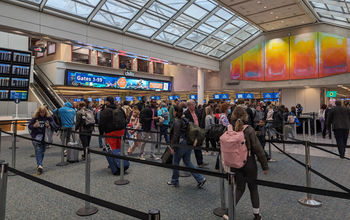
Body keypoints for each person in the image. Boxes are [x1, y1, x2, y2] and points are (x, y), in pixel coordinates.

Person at [225, 106, 268, 220]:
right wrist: (264, 165)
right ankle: (257, 215)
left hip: (235, 163)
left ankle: (229, 211)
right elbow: (258, 149)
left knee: (239, 188)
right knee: (253, 188)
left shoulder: (230, 129)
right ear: (245, 116)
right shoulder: (249, 130)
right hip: (249, 162)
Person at [167, 105, 206, 188]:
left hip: (181, 144)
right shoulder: (185, 120)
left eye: (174, 111)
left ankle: (174, 181)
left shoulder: (177, 121)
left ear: (176, 112)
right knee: (188, 162)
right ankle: (200, 178)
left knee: (175, 163)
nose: (173, 112)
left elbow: (176, 135)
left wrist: (172, 147)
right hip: (188, 143)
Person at [28, 106, 57, 175]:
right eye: (41, 112)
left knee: (42, 151)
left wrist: (49, 125)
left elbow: (54, 125)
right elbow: (29, 126)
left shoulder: (48, 117)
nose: (42, 113)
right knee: (38, 151)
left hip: (45, 138)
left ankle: (40, 164)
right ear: (38, 112)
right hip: (36, 137)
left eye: (43, 112)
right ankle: (40, 165)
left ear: (45, 111)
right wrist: (34, 126)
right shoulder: (35, 118)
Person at [184, 99, 208, 168]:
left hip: (198, 131)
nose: (194, 105)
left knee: (198, 147)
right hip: (191, 133)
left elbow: (200, 120)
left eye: (194, 103)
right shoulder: (186, 113)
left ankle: (200, 162)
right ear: (189, 106)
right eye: (193, 104)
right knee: (188, 149)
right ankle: (186, 163)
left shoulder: (197, 111)